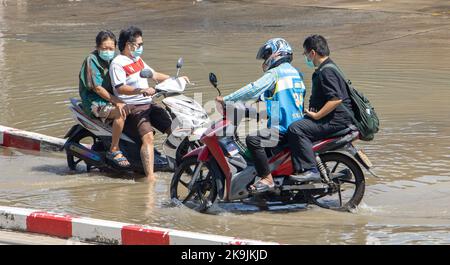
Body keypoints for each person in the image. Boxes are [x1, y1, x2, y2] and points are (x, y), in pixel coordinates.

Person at [216, 38, 306, 194]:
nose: (265, 60)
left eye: (266, 56)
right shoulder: (296, 73)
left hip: (284, 128)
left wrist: (227, 99)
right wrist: (250, 110)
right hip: (297, 125)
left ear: (276, 53)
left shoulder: (275, 73)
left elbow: (253, 89)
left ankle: (267, 179)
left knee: (253, 139)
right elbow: (276, 102)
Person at [109, 26, 189, 181]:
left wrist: (175, 79)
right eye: (139, 44)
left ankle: (181, 163)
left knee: (175, 130)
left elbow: (155, 75)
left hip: (149, 103)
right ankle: (150, 177)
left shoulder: (137, 60)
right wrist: (141, 90)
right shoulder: (117, 63)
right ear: (128, 45)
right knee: (148, 138)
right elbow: (120, 88)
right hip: (132, 105)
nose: (141, 47)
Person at [287, 35, 354, 183]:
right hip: (336, 118)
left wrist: (317, 116)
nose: (306, 58)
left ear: (312, 53)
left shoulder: (326, 71)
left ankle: (310, 170)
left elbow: (336, 99)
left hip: (335, 121)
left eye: (306, 54)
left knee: (295, 129)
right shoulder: (330, 67)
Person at [79, 30, 130, 168]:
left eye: (111, 49)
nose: (108, 51)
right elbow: (97, 88)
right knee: (121, 112)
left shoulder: (115, 60)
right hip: (95, 102)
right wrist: (117, 101)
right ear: (97, 47)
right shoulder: (91, 60)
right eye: (104, 48)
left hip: (111, 98)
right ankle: (114, 149)